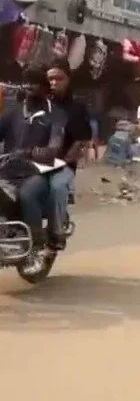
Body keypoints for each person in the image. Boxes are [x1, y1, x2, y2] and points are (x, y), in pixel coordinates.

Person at [0, 66, 66, 273]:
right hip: (9, 169)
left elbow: (55, 147)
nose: (28, 86)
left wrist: (29, 152)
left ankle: (35, 249)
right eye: (26, 82)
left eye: (34, 82)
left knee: (28, 195)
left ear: (44, 87)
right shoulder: (13, 112)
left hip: (37, 172)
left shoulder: (55, 115)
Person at [46, 57, 92, 249]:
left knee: (57, 187)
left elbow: (81, 141)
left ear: (68, 79)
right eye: (50, 79)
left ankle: (56, 232)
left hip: (62, 165)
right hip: (33, 162)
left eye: (59, 78)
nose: (54, 83)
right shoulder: (38, 105)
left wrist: (64, 161)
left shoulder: (76, 109)